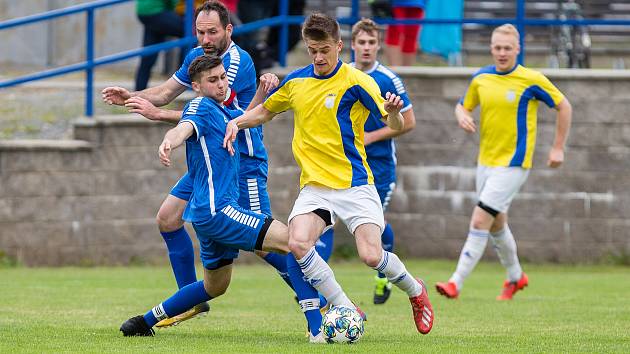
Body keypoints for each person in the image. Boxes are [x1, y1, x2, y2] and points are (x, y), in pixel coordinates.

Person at [223, 13, 434, 342]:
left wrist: (393, 114)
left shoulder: (358, 82)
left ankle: (415, 290)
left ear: (338, 46)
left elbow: (395, 126)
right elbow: (265, 111)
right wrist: (238, 122)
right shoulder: (296, 82)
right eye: (312, 51)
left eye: (324, 50)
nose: (319, 58)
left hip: (355, 184)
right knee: (297, 243)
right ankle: (345, 305)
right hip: (315, 187)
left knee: (370, 256)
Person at [103, 1, 294, 327]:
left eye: (212, 32)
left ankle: (319, 299)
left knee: (267, 245)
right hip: (208, 160)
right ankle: (188, 301)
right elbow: (165, 92)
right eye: (200, 32)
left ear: (229, 30)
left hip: (241, 160)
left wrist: (161, 117)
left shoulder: (234, 62)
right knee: (168, 218)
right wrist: (133, 96)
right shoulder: (197, 57)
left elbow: (214, 117)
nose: (205, 38)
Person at [435, 24, 572, 301]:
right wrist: (461, 114)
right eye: (497, 48)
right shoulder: (481, 77)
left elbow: (564, 105)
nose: (502, 53)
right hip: (485, 163)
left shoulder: (531, 79)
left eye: (507, 48)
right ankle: (515, 277)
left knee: (480, 218)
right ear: (491, 49)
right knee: (496, 224)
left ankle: (455, 283)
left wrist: (558, 148)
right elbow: (463, 104)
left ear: (517, 50)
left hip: (515, 164)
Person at [317, 18, 417, 305]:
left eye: (371, 42)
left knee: (376, 224)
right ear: (352, 44)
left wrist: (371, 138)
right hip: (342, 164)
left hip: (379, 166)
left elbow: (408, 121)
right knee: (326, 220)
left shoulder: (388, 79)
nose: (366, 48)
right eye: (361, 42)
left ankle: (384, 277)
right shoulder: (340, 74)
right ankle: (321, 288)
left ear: (378, 45)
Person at [134, 0, 185, 91]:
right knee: (190, 31)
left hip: (144, 11)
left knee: (148, 56)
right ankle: (184, 77)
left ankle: (138, 91)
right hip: (157, 11)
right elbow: (172, 3)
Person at [384, 0, 426, 67]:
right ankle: (395, 72)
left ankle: (406, 73)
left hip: (418, 3)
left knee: (410, 37)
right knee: (395, 35)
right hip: (397, 3)